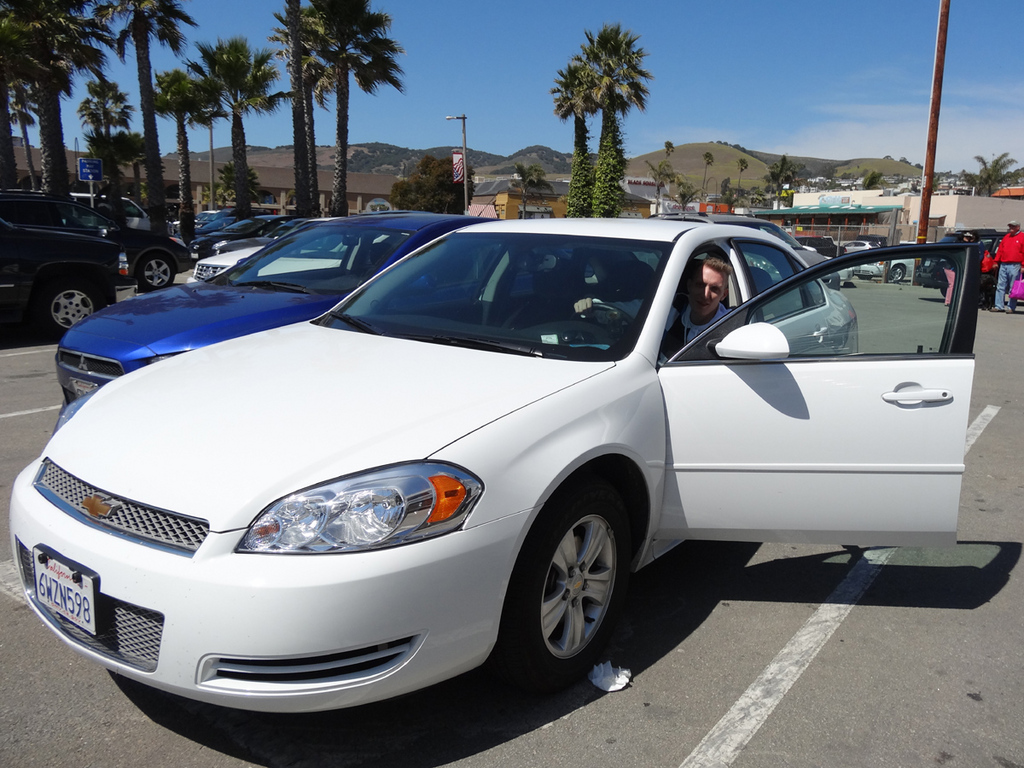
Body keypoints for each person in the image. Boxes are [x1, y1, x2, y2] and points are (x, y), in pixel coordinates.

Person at [660, 254, 734, 358]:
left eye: (714, 289)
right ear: (689, 285)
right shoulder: (670, 307)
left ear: (724, 295)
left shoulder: (730, 328)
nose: (705, 294)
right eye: (700, 285)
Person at [992, 220, 1024, 313]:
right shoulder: (1006, 237)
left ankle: (1011, 307)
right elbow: (1000, 250)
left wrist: (1023, 265)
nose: (1011, 228)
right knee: (1000, 285)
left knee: (1012, 287)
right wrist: (996, 261)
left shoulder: (1022, 237)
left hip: (1015, 265)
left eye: (1013, 226)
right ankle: (999, 306)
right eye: (1010, 226)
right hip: (1004, 264)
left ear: (1018, 227)